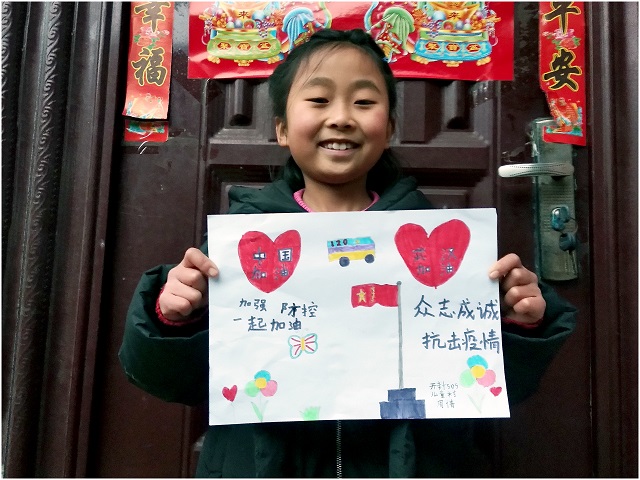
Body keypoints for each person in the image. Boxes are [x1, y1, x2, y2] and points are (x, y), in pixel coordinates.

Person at [119, 28, 577, 477]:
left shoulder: (441, 248)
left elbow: (493, 383)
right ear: (281, 129)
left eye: (363, 102)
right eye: (318, 100)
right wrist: (172, 318)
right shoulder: (242, 249)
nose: (341, 117)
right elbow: (170, 379)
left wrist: (519, 322)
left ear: (390, 128)